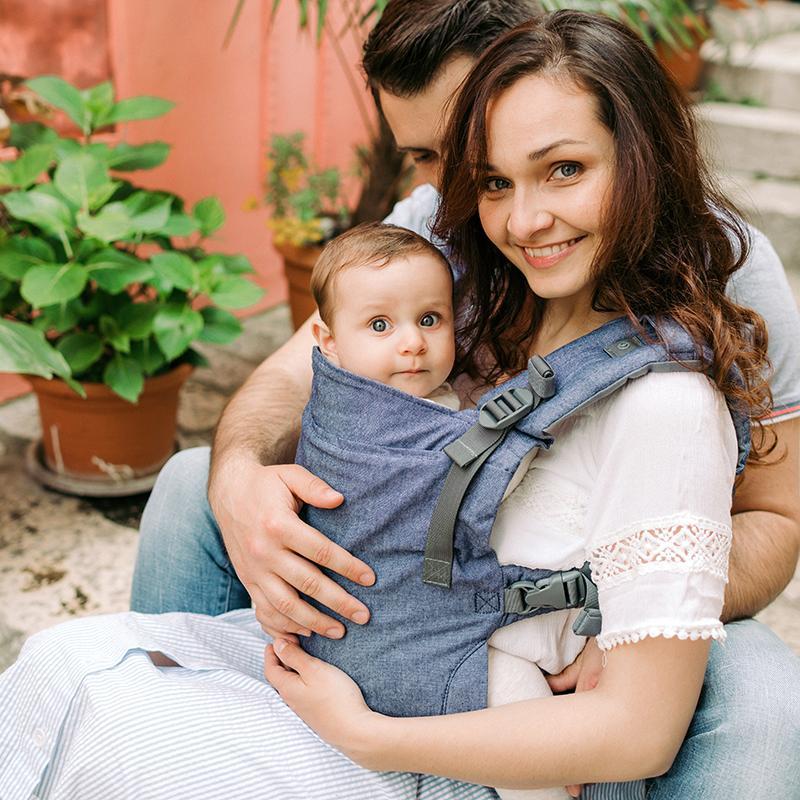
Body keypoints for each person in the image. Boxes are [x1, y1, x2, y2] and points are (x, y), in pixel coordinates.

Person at [129, 1, 800, 798]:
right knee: (189, 486)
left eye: (469, 152)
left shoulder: (725, 269)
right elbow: (293, 373)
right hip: (430, 574)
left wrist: (611, 615)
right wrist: (241, 484)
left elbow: (778, 515)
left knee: (767, 705)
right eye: (459, 165)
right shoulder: (438, 230)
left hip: (639, 565)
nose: (502, 210)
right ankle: (186, 732)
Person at [307, 222, 459, 410]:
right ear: (331, 341)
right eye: (380, 325)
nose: (414, 344)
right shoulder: (364, 425)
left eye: (429, 320)